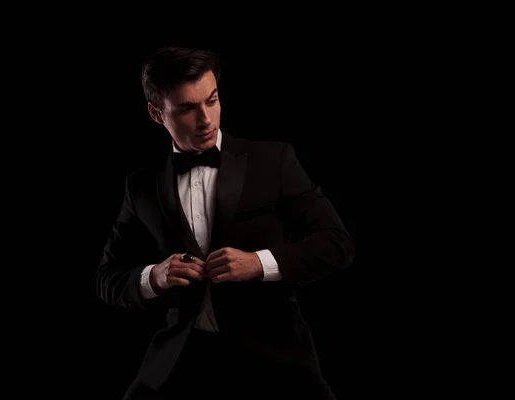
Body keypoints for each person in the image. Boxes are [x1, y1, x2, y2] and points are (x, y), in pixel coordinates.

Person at [96, 45, 355, 400]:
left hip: (275, 360)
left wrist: (259, 263)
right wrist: (153, 276)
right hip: (180, 361)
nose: (206, 119)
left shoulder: (273, 160)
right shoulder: (140, 186)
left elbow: (337, 244)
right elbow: (107, 277)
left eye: (212, 100)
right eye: (187, 108)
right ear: (157, 114)